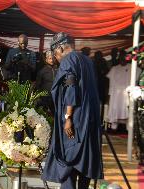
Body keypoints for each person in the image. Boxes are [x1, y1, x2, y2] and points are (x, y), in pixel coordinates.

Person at [42, 32, 103, 189]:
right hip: (90, 119)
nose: (56, 58)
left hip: (76, 119)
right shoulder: (88, 61)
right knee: (85, 161)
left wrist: (68, 117)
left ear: (61, 48)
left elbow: (71, 87)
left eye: (56, 54)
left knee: (68, 162)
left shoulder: (68, 59)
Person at [106, 49, 141, 130]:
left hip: (127, 94)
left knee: (128, 110)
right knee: (115, 110)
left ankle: (129, 130)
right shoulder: (114, 68)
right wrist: (109, 95)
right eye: (121, 57)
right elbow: (110, 83)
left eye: (124, 56)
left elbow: (139, 73)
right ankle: (114, 129)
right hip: (116, 94)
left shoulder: (133, 68)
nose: (122, 58)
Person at [35, 50, 58, 114]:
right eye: (50, 58)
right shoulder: (42, 71)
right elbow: (38, 85)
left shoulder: (59, 70)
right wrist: (40, 97)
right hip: (45, 98)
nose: (52, 60)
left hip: (56, 97)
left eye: (53, 58)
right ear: (46, 59)